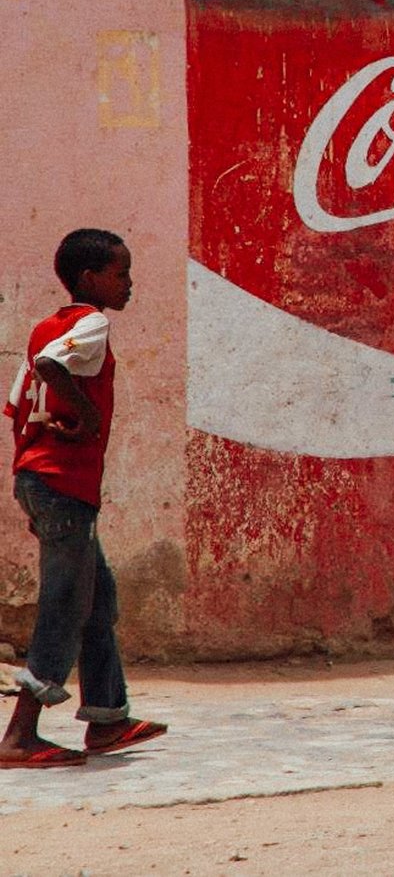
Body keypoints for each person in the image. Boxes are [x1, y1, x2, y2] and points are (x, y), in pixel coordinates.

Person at [1, 229, 166, 768]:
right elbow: (52, 368)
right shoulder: (89, 324)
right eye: (121, 274)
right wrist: (88, 417)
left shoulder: (42, 328)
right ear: (90, 278)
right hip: (64, 484)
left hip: (41, 480)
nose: (130, 284)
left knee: (98, 599)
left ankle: (107, 717)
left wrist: (31, 485)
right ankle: (20, 736)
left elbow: (17, 405)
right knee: (67, 604)